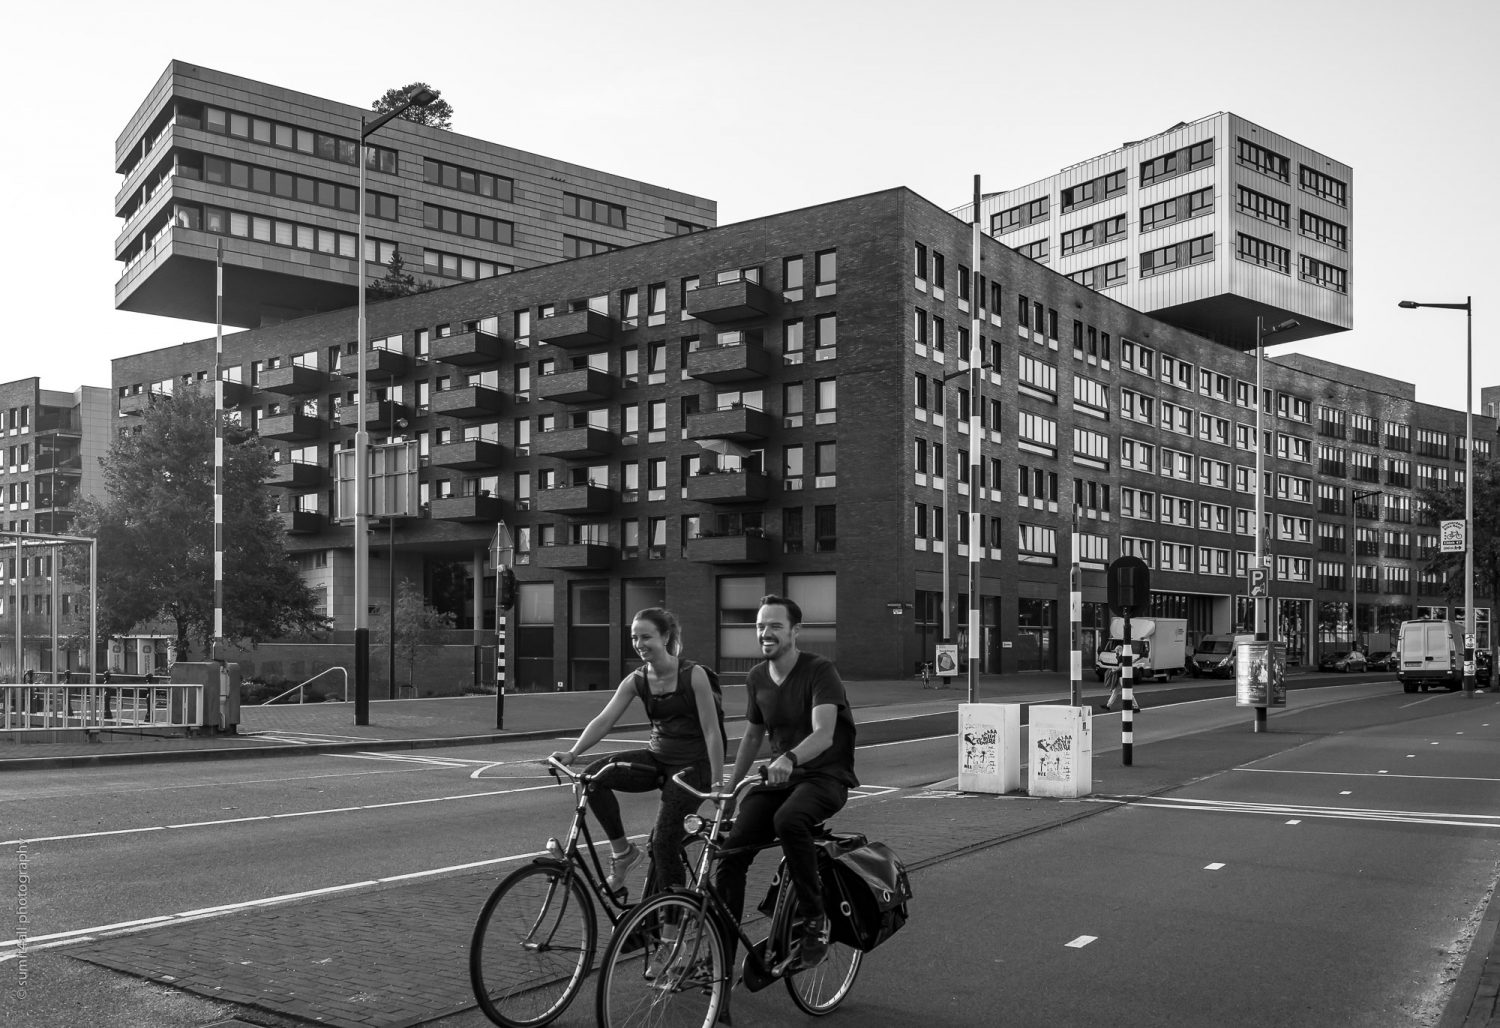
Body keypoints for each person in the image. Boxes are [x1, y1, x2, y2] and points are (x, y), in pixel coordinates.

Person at [716, 594, 858, 972]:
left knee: (788, 820)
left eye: (775, 626)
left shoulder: (819, 670)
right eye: (761, 626)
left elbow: (824, 733)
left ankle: (815, 919)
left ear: (795, 631)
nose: (766, 632)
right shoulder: (756, 677)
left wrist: (789, 757)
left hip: (824, 776)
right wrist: (730, 790)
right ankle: (721, 959)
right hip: (779, 778)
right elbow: (751, 737)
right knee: (729, 857)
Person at [548, 608, 724, 894]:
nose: (640, 644)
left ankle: (670, 927)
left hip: (693, 768)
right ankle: (623, 854)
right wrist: (573, 753)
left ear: (665, 637)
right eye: (634, 637)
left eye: (646, 637)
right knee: (594, 778)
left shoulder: (694, 675)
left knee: (663, 842)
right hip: (658, 759)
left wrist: (717, 783)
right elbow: (605, 719)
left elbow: (712, 731)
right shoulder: (637, 680)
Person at [1098, 644, 1140, 713]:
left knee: (1127, 692)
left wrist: (1114, 670)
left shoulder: (1121, 657)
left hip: (1122, 677)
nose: (1115, 653)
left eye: (1116, 651)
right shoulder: (1124, 656)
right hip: (1122, 676)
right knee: (1115, 691)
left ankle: (1136, 707)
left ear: (1118, 650)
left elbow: (1120, 667)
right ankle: (1108, 705)